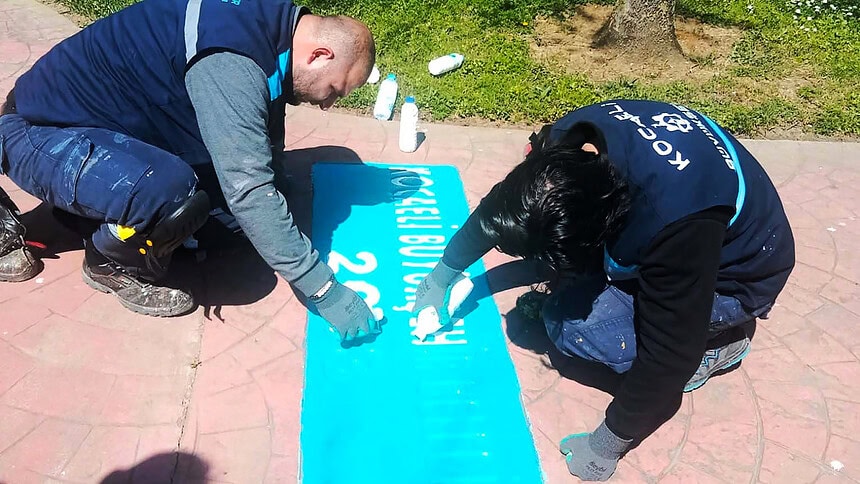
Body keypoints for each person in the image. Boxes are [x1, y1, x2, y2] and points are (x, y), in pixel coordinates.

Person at [413, 99, 795, 481]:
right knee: (566, 274)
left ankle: (720, 343)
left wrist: (606, 445)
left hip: (734, 278)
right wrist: (441, 276)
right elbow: (507, 206)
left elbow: (669, 355)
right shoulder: (566, 141)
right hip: (688, 217)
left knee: (571, 326)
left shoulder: (674, 226)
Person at [0, 0, 381, 345]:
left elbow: (266, 126)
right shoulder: (231, 60)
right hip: (39, 130)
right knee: (172, 195)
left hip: (100, 128)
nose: (328, 104)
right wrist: (323, 289)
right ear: (319, 55)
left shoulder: (276, 26)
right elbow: (249, 189)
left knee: (234, 226)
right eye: (335, 89)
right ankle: (107, 258)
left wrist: (275, 184)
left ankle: (93, 205)